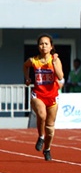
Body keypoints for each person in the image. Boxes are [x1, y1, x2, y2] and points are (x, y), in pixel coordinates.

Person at [23, 33, 64, 161]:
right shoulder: (33, 60)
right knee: (41, 115)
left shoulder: (55, 60)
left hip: (52, 96)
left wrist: (54, 62)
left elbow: (61, 76)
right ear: (38, 46)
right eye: (41, 44)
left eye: (46, 44)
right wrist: (28, 77)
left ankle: (47, 149)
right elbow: (25, 66)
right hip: (38, 94)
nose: (43, 46)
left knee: (50, 128)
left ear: (51, 46)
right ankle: (41, 136)